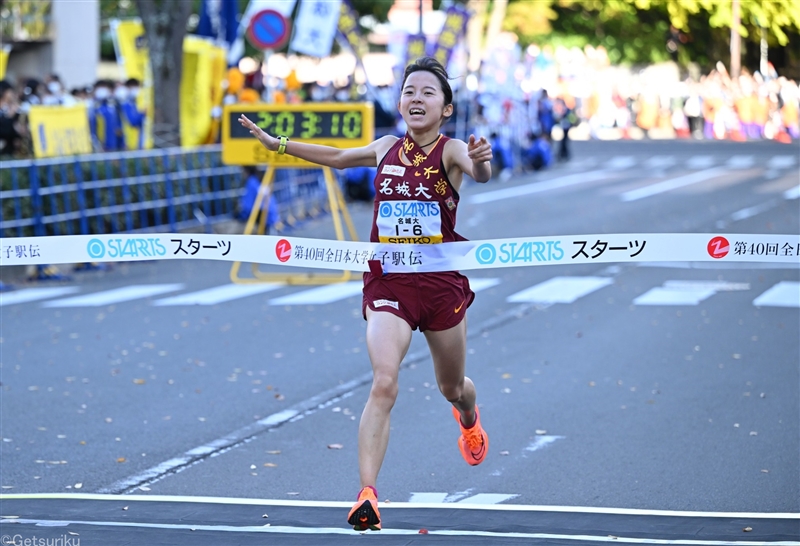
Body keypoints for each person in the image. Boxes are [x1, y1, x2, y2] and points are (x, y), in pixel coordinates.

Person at [239, 56, 493, 531]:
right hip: (389, 282)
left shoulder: (453, 149)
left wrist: (481, 164)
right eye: (409, 91)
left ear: (447, 109)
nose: (415, 99)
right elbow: (337, 157)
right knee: (383, 381)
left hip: (441, 286)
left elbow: (478, 173)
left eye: (427, 93)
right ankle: (368, 496)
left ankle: (469, 416)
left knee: (451, 387)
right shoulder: (385, 148)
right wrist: (280, 145)